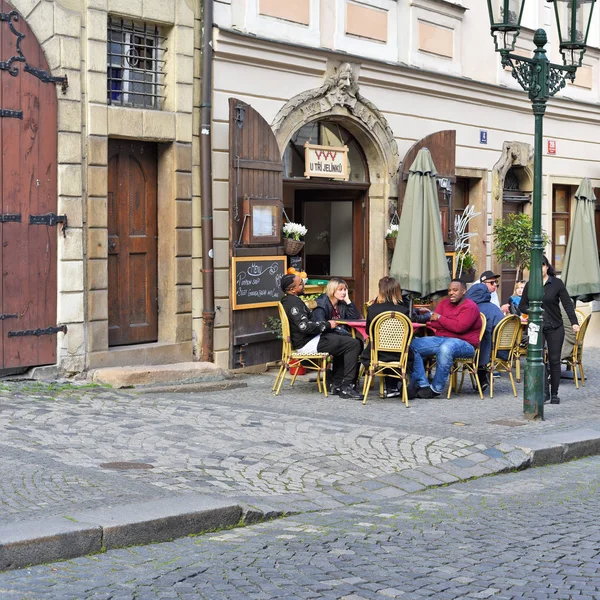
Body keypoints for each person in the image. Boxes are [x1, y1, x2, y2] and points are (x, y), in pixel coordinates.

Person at [280, 274, 362, 399]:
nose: (303, 285)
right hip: (308, 342)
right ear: (292, 289)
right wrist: (328, 325)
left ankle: (337, 383)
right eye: (300, 284)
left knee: (346, 342)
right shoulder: (293, 303)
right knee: (353, 344)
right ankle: (346, 386)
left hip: (311, 339)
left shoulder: (290, 301)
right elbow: (304, 327)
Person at [519, 256, 580, 405]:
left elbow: (567, 303)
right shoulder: (530, 285)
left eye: (542, 266)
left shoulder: (557, 283)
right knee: (536, 358)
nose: (540, 270)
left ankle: (554, 393)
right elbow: (522, 306)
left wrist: (574, 322)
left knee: (554, 360)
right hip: (536, 328)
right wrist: (533, 311)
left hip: (555, 326)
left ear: (547, 267)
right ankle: (545, 390)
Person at [410, 279, 482, 398]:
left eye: (455, 290)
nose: (451, 293)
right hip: (442, 339)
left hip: (466, 344)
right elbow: (434, 324)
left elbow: (459, 328)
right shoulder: (444, 304)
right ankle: (423, 385)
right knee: (412, 345)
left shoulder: (470, 307)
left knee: (445, 348)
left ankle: (436, 389)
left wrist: (440, 318)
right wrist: (445, 321)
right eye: (449, 290)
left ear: (463, 291)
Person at [361, 277, 423, 399]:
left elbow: (369, 331)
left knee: (373, 347)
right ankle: (395, 386)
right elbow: (408, 335)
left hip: (376, 354)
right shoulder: (403, 311)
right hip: (399, 355)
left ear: (380, 290)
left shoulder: (372, 309)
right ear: (397, 291)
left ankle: (388, 387)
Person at [466, 281, 506, 391]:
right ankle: (482, 375)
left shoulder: (475, 309)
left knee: (475, 342)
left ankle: (481, 375)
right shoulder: (494, 308)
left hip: (488, 349)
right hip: (505, 347)